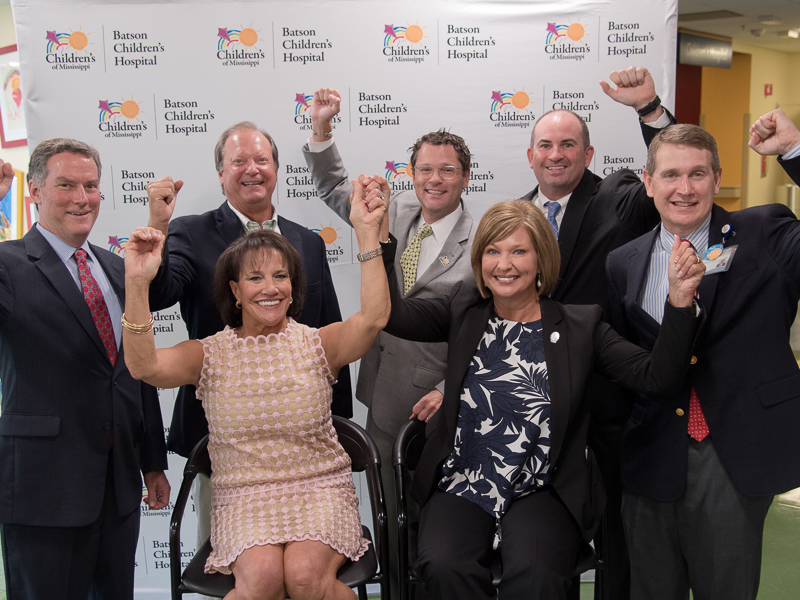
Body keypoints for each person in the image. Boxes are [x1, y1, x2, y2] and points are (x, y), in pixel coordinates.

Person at [383, 199, 704, 600]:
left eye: (519, 251)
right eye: (493, 251)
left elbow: (658, 376)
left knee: (535, 574)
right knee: (443, 564)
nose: (504, 264)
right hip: (464, 482)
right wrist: (377, 242)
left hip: (543, 487)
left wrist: (679, 303)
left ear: (541, 259)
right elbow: (390, 314)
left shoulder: (579, 326)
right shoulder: (463, 308)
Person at [123, 179, 388, 600]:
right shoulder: (207, 353)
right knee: (262, 578)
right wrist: (137, 284)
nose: (271, 288)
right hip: (243, 496)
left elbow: (373, 318)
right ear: (235, 290)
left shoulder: (319, 343)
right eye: (256, 277)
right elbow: (144, 365)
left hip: (319, 489)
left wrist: (367, 235)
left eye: (281, 276)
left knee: (304, 577)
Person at [145, 121, 353, 577]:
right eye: (238, 161)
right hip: (225, 451)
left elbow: (330, 333)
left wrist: (338, 423)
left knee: (307, 577)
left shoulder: (309, 242)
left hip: (307, 450)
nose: (252, 170)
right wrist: (156, 230)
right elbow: (158, 293)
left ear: (277, 170)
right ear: (220, 174)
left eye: (262, 160)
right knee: (241, 573)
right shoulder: (190, 232)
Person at [605, 119, 800, 600]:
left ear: (717, 178)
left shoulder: (765, 234)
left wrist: (794, 151)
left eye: (697, 174)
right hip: (651, 456)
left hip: (731, 449)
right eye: (670, 175)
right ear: (648, 183)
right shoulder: (623, 262)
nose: (684, 189)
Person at [303, 87, 476, 597]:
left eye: (447, 171)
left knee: (437, 522)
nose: (435, 180)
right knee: (389, 516)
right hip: (383, 393)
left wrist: (452, 385)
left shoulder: (485, 235)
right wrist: (321, 130)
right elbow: (336, 186)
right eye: (425, 169)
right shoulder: (390, 211)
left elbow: (489, 327)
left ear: (465, 178)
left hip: (441, 403)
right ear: (412, 174)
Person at [522, 66, 677, 598]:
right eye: (546, 145)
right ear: (531, 155)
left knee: (620, 539)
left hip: (611, 398)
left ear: (588, 155)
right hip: (539, 404)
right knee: (549, 537)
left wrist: (650, 110)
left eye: (569, 144)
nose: (556, 154)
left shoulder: (623, 195)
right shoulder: (517, 217)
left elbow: (672, 168)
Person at [0, 142, 169, 600]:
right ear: (35, 191)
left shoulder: (120, 268)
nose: (82, 197)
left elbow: (138, 371)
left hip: (117, 490)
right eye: (66, 185)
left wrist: (153, 461)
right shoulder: (9, 265)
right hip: (43, 492)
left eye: (91, 185)